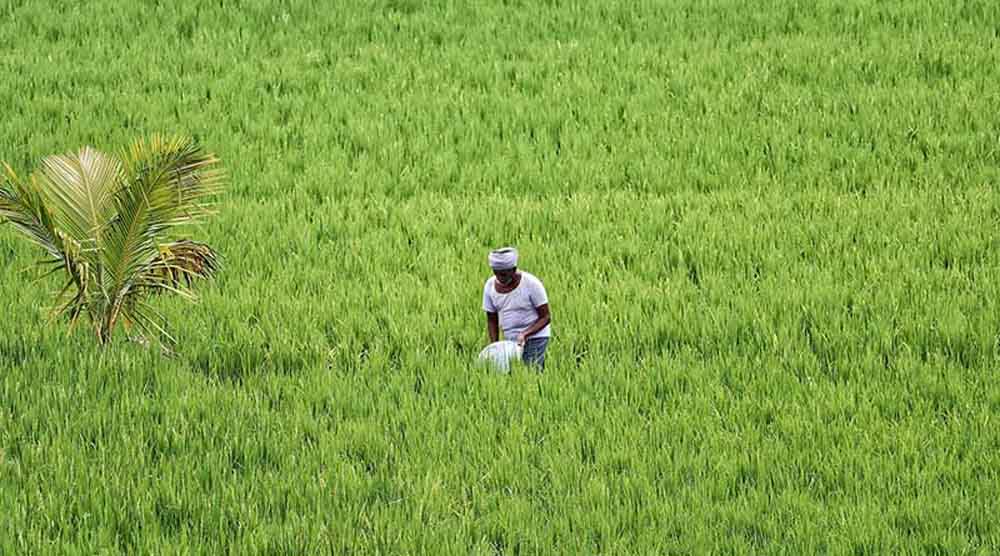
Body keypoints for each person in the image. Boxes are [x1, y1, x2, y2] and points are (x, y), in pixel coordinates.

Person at [482, 247, 551, 369]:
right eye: (496, 273)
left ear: (513, 269)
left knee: (530, 372)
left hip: (535, 336)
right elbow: (491, 319)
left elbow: (546, 317)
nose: (499, 277)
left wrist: (525, 334)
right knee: (510, 371)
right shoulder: (489, 286)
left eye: (503, 274)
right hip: (511, 339)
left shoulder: (531, 284)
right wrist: (495, 345)